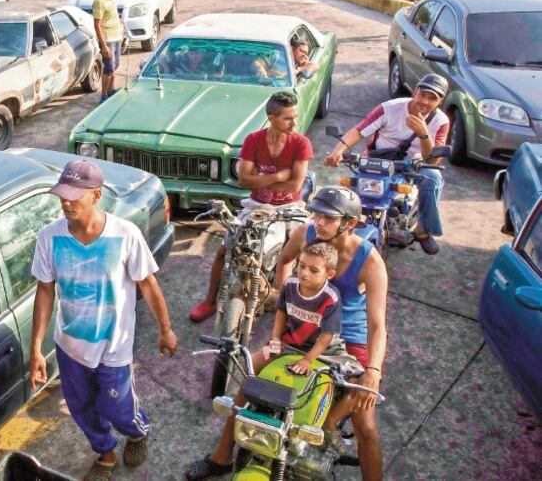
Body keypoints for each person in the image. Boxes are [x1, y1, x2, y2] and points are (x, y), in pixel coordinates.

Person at [188, 187, 389, 481]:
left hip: (349, 341)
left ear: (349, 223)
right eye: (317, 214)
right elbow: (283, 262)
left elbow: (377, 325)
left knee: (366, 425)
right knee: (249, 380)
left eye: (328, 218)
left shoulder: (369, 262)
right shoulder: (307, 235)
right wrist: (288, 301)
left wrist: (373, 369)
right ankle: (221, 457)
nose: (318, 222)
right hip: (303, 330)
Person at [28, 161, 178, 481]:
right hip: (70, 346)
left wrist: (165, 329)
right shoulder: (49, 238)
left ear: (95, 196)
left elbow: (148, 284)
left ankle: (137, 433)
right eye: (62, 196)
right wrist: (37, 349)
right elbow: (45, 291)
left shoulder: (125, 235)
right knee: (81, 409)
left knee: (117, 409)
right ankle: (105, 453)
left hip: (114, 346)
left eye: (74, 196)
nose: (66, 202)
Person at [186, 241, 344, 480]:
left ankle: (315, 447)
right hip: (289, 344)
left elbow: (327, 336)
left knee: (331, 393)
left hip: (322, 351)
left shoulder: (330, 297)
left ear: (329, 274)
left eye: (313, 270)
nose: (304, 273)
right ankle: (223, 454)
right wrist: (275, 339)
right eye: (302, 266)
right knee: (249, 377)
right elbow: (281, 312)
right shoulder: (291, 285)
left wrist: (309, 359)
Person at [189, 92, 313, 322]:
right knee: (226, 249)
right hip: (257, 205)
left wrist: (262, 177)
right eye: (288, 118)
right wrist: (279, 175)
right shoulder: (253, 140)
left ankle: (294, 311)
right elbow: (243, 180)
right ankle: (210, 301)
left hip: (289, 207)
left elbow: (294, 185)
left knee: (306, 252)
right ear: (271, 117)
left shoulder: (300, 143)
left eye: (294, 117)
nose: (294, 123)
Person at [324, 73, 450, 254]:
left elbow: (432, 160)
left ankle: (423, 230)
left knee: (433, 178)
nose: (425, 101)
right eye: (422, 94)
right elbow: (359, 130)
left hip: (412, 165)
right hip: (377, 161)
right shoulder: (389, 108)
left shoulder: (441, 121)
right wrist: (338, 151)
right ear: (415, 91)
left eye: (432, 98)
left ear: (440, 101)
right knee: (349, 194)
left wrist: (423, 134)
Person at [92, 0, 124, 101]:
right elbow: (97, 25)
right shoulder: (99, 1)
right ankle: (104, 95)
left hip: (116, 38)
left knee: (115, 65)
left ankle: (111, 90)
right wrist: (104, 45)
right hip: (108, 40)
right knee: (109, 68)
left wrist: (121, 35)